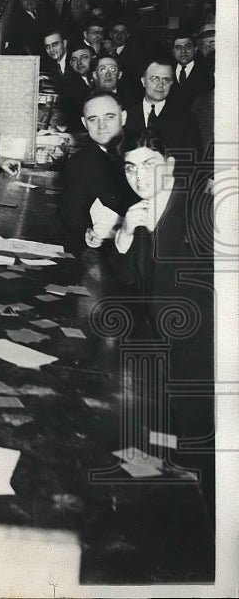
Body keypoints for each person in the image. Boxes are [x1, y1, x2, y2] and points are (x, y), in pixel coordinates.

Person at [111, 129, 215, 509]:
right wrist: (124, 231)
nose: (139, 177)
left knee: (203, 455)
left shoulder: (197, 210)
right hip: (168, 348)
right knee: (178, 447)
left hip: (203, 353)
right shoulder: (141, 209)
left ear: (169, 166)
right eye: (130, 168)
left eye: (149, 166)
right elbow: (127, 278)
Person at [58, 90, 137, 256]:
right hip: (107, 252)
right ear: (84, 123)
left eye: (109, 117)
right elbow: (72, 211)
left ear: (123, 117)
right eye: (93, 119)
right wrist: (86, 231)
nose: (102, 126)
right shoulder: (78, 163)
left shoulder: (146, 151)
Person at [123, 61, 202, 155]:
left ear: (171, 83)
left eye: (166, 80)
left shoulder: (186, 118)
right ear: (143, 81)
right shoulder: (126, 116)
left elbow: (194, 159)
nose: (160, 84)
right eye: (155, 78)